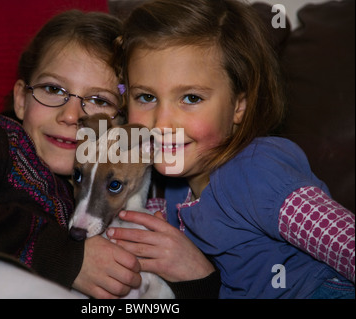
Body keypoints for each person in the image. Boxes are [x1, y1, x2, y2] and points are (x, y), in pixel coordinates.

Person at [0, 9, 219, 299]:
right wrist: (65, 258)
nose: (71, 116)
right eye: (53, 89)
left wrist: (199, 279)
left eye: (98, 100)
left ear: (124, 122)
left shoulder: (137, 181)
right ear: (20, 99)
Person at [107, 0, 355, 298]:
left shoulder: (259, 173)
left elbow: (347, 244)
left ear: (239, 105)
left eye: (191, 98)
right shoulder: (175, 187)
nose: (161, 122)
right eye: (146, 97)